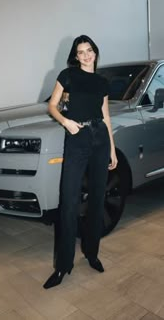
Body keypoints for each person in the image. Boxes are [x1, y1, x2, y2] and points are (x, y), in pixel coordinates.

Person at [43, 35, 118, 289]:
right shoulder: (68, 75)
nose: (86, 55)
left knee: (97, 198)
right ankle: (63, 266)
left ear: (95, 52)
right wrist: (66, 123)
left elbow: (106, 116)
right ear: (75, 56)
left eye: (89, 50)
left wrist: (113, 150)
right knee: (69, 201)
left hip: (100, 139)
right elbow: (52, 106)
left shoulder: (102, 82)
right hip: (76, 138)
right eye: (81, 52)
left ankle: (92, 253)